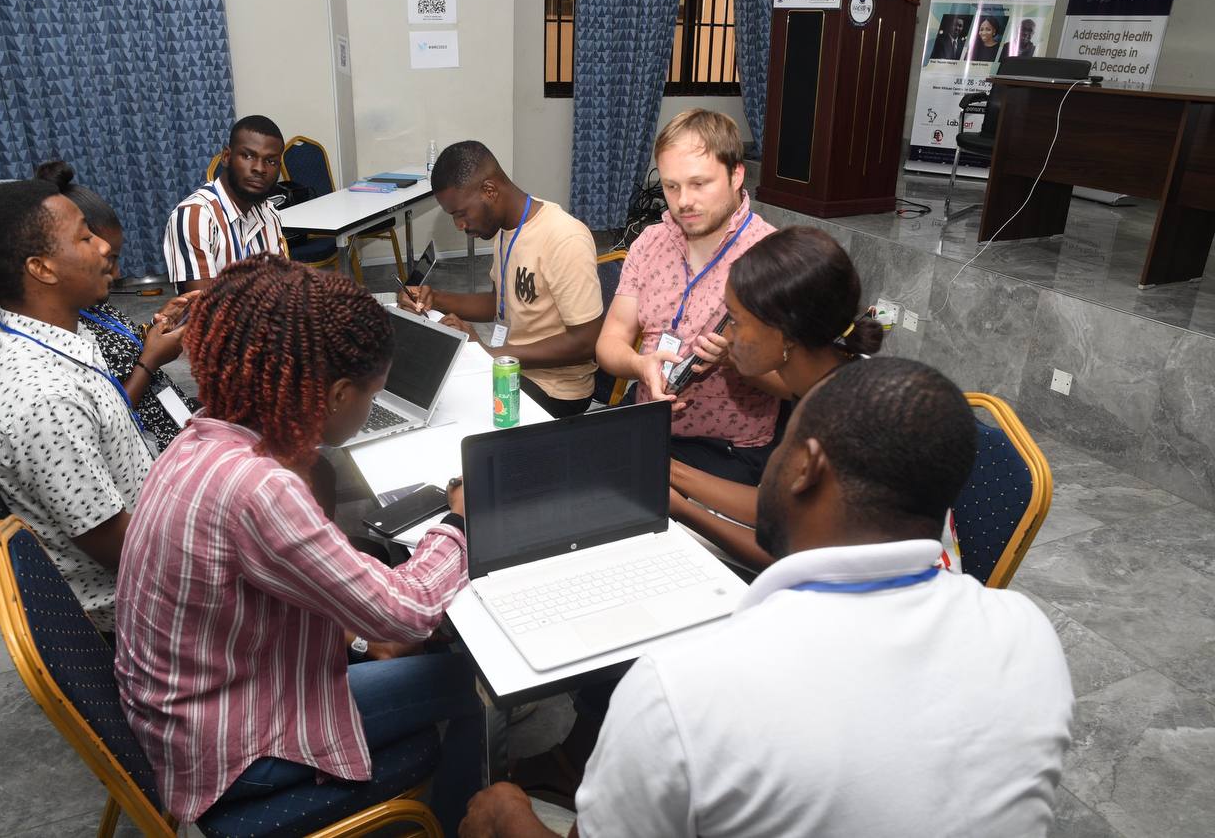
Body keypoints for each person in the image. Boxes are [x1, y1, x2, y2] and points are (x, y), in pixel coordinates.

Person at [459, 358, 1075, 838]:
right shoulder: (1028, 635)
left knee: (496, 807)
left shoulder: (681, 689)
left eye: (779, 445)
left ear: (803, 466)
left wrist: (508, 813)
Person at [115, 255, 481, 833]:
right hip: (229, 745)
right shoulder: (259, 489)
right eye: (372, 394)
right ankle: (462, 822)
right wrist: (459, 522)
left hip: (181, 709)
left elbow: (308, 563)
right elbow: (406, 614)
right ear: (336, 396)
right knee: (472, 684)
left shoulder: (204, 436)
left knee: (400, 636)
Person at [0, 181, 167, 633]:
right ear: (42, 268)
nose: (105, 245)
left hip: (152, 521)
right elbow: (124, 550)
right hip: (146, 606)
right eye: (86, 237)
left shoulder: (46, 334)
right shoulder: (42, 399)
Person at [669, 226, 884, 572]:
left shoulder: (844, 420)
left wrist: (683, 511)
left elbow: (790, 554)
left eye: (735, 321)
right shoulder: (830, 376)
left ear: (783, 333)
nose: (725, 335)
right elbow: (783, 505)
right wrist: (674, 473)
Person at [595, 108, 784, 485]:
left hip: (729, 449)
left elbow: (797, 383)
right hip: (649, 426)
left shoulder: (771, 255)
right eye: (672, 186)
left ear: (736, 175)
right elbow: (610, 341)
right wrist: (639, 366)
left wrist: (737, 361)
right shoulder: (651, 242)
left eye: (699, 184)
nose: (683, 202)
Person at [402, 140, 602, 418]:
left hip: (556, 389)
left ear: (489, 190)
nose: (459, 225)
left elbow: (586, 342)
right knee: (427, 381)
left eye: (461, 214)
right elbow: (498, 303)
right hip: (513, 367)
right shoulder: (504, 231)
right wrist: (434, 298)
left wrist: (489, 353)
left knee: (451, 410)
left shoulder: (564, 238)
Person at [36, 161, 200, 452]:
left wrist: (157, 326)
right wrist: (150, 361)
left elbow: (117, 349)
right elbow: (107, 424)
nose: (118, 273)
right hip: (149, 444)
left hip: (173, 414)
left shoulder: (92, 303)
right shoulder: (62, 332)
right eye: (109, 260)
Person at [163, 114, 287, 293]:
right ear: (227, 156)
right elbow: (203, 310)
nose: (260, 169)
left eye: (270, 161)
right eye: (248, 156)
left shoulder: (270, 213)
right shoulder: (195, 216)